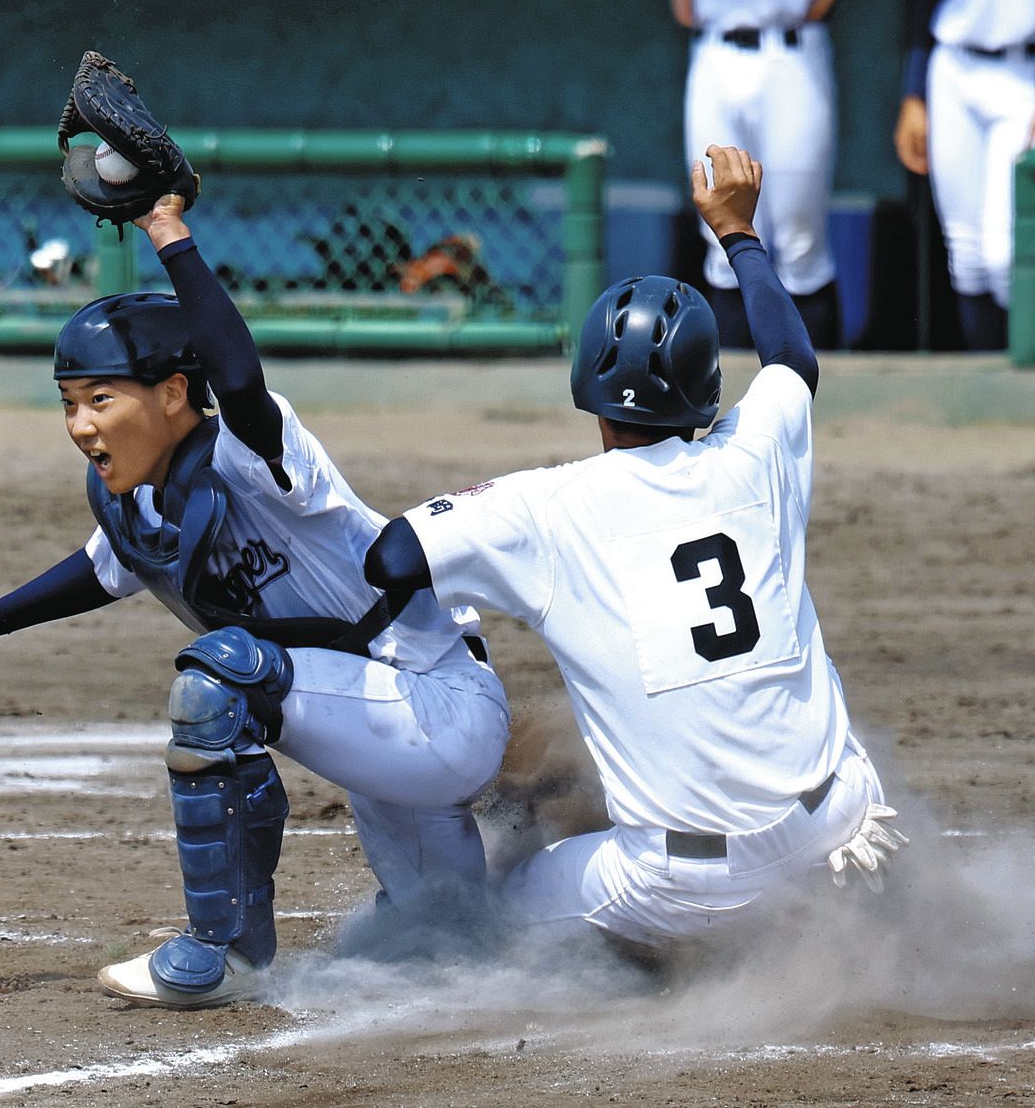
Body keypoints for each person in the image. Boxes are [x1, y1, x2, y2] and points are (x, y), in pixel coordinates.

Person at [0, 194, 511, 1009]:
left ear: (175, 393)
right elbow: (99, 569)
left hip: (437, 706)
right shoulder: (145, 502)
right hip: (375, 729)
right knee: (452, 938)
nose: (80, 424)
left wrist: (169, 234)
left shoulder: (256, 454)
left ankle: (225, 953)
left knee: (218, 684)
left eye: (102, 399)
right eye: (69, 403)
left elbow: (241, 379)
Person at [364, 145, 907, 965]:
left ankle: (663, 957)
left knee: (501, 900)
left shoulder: (542, 506)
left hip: (687, 887)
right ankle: (852, 905)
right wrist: (737, 231)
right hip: (837, 837)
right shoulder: (755, 457)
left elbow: (391, 556)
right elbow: (793, 360)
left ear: (587, 384)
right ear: (705, 389)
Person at [672, 0, 846, 349]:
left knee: (800, 239)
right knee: (719, 236)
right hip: (714, 47)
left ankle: (816, 385)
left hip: (790, 49)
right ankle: (731, 383)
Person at [894, 0, 1035, 350]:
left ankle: (1020, 378)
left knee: (1004, 254)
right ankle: (989, 386)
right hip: (953, 65)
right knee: (966, 254)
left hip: (1024, 72)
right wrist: (914, 93)